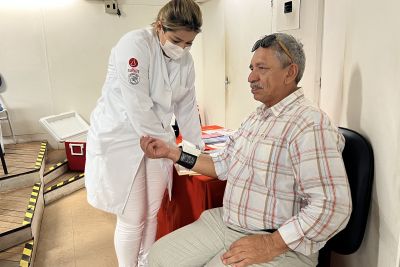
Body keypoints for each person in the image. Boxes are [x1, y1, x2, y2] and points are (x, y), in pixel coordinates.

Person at [140, 33, 352, 267]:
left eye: (261, 68)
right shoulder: (257, 117)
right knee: (159, 257)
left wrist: (272, 243)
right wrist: (173, 153)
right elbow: (222, 164)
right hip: (225, 224)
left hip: (277, 240)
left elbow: (334, 206)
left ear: (290, 73)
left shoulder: (309, 125)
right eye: (252, 68)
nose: (251, 77)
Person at [84, 1, 205, 266]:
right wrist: (171, 150)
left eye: (189, 44)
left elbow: (186, 106)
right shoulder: (135, 45)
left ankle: (145, 263)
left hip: (157, 138)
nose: (182, 48)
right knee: (133, 216)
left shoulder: (185, 61)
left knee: (152, 213)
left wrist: (197, 151)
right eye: (177, 40)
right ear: (160, 26)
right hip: (122, 138)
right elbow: (137, 105)